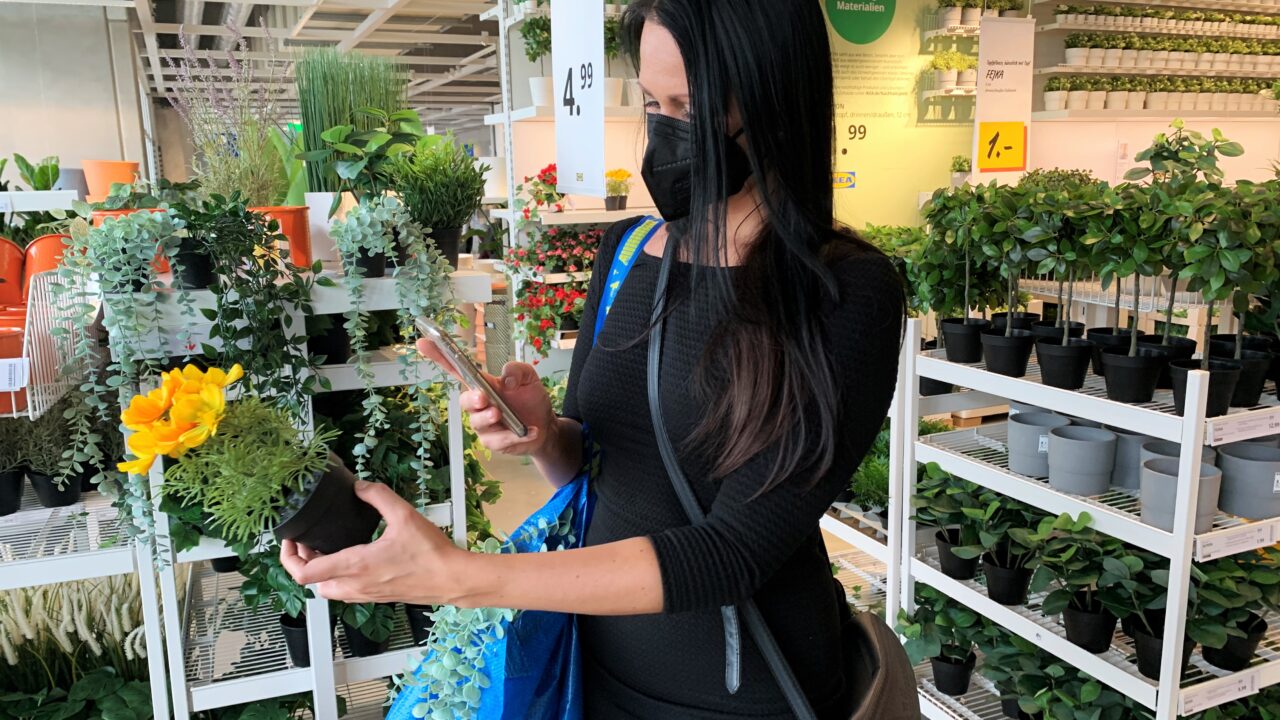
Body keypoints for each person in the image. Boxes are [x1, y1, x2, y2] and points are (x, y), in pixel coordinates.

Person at [280, 0, 904, 717]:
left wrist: (459, 576)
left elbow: (734, 553)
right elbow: (594, 468)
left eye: (688, 106)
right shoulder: (628, 251)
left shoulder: (842, 290)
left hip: (746, 693)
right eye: (652, 104)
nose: (665, 129)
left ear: (776, 99)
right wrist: (545, 436)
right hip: (595, 669)